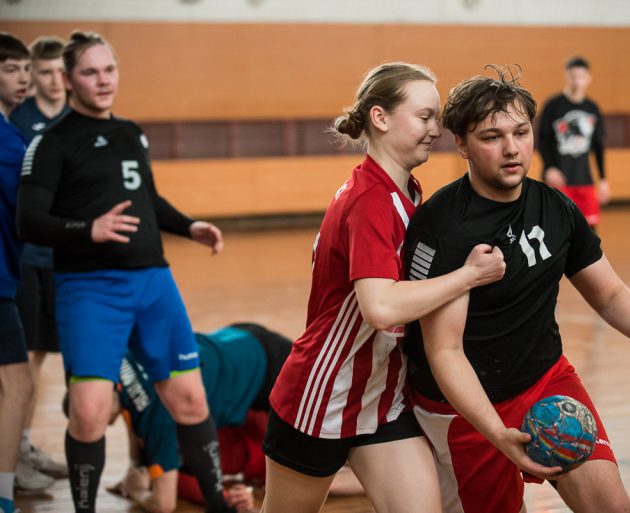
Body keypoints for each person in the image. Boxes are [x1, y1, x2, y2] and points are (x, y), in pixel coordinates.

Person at [402, 65, 630, 513]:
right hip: (465, 407)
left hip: (545, 380)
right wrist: (496, 431)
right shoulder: (444, 227)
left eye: (521, 133)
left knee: (611, 506)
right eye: (491, 137)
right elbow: (444, 351)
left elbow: (608, 293)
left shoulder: (555, 207)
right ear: (461, 144)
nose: (511, 148)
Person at [262, 62, 506, 513]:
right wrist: (469, 275)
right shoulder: (369, 199)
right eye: (425, 116)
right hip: (324, 398)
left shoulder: (407, 192)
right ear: (380, 118)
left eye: (437, 118)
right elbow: (380, 308)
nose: (436, 129)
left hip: (382, 397)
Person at [15, 31, 229, 513]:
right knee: (89, 414)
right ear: (68, 79)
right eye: (90, 72)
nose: (103, 80)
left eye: (109, 69)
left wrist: (188, 226)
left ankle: (218, 504)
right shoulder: (50, 144)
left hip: (154, 285)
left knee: (190, 401)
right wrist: (88, 229)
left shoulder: (131, 132)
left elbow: (147, 199)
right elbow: (28, 221)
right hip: (90, 291)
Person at [101, 322, 363, 513]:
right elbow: (135, 417)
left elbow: (163, 504)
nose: (102, 428)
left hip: (264, 370)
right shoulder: (119, 362)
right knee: (327, 450)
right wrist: (134, 470)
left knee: (324, 463)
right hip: (238, 341)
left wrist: (136, 489)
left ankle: (372, 469)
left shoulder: (158, 419)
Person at [9, 35, 70, 487]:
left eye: (58, 71)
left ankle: (26, 446)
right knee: (24, 357)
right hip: (27, 258)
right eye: (42, 71)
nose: (52, 80)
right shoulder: (18, 119)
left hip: (67, 259)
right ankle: (17, 447)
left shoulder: (76, 119)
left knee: (47, 351)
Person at [0, 31, 34, 513]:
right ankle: (4, 496)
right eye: (10, 70)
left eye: (25, 69)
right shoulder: (10, 144)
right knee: (19, 384)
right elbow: (30, 213)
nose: (23, 78)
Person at [538, 56, 608, 229]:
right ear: (567, 77)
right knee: (559, 230)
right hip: (559, 180)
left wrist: (603, 179)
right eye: (573, 76)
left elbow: (598, 146)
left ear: (589, 78)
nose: (577, 81)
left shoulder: (592, 108)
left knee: (589, 232)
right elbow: (542, 139)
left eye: (581, 77)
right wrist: (549, 167)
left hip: (585, 180)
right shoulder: (553, 105)